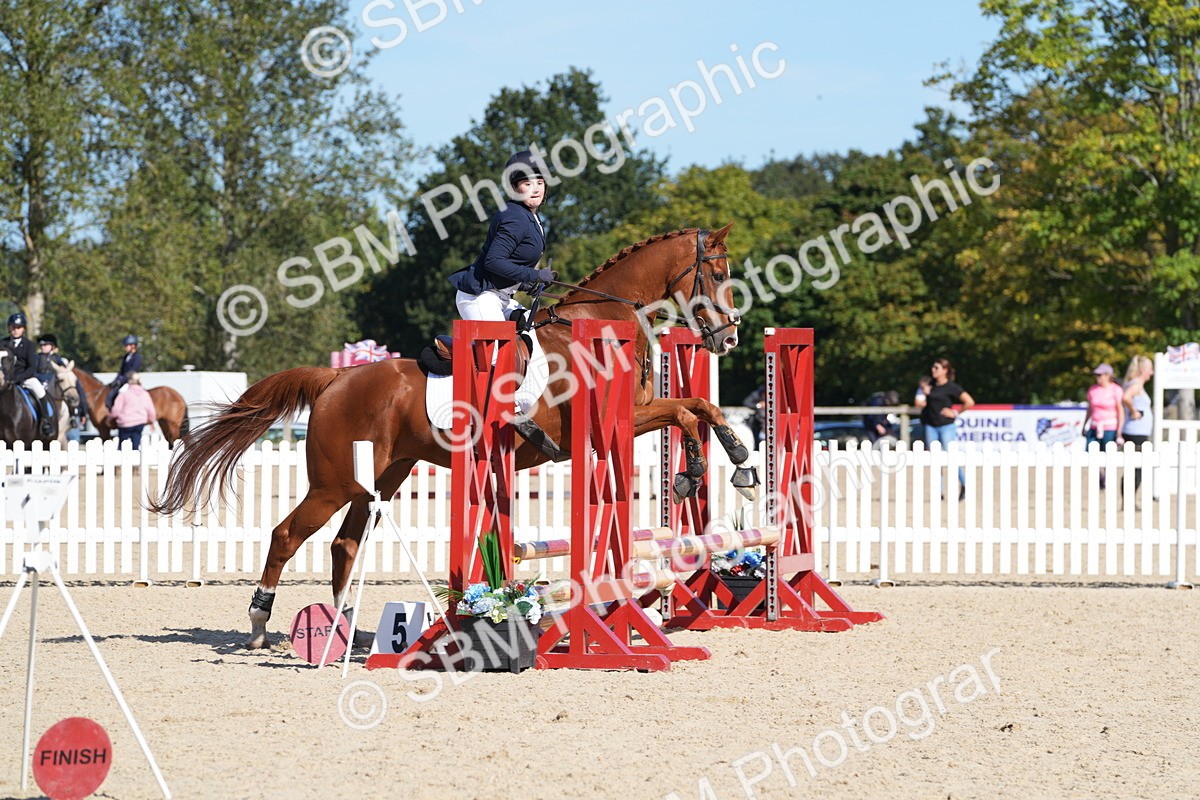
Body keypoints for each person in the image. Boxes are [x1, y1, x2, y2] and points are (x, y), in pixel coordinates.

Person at [448, 151, 556, 324]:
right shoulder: (515, 218)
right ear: (514, 188)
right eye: (527, 183)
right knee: (499, 341)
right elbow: (493, 261)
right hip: (480, 298)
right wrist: (533, 275)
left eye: (540, 182)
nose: (536, 189)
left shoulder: (531, 216)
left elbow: (511, 264)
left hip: (503, 299)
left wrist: (525, 284)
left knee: (534, 330)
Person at [915, 358, 975, 500]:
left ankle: (965, 484)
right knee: (935, 459)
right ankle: (939, 491)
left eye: (936, 368)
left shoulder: (951, 387)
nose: (933, 370)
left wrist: (955, 412)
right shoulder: (928, 385)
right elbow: (918, 403)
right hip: (930, 426)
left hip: (946, 426)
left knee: (951, 457)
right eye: (933, 367)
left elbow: (969, 402)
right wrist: (924, 393)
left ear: (945, 370)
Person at [0, 313, 54, 436]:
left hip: (24, 378)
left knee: (40, 390)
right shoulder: (2, 343)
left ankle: (46, 421)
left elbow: (32, 367)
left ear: (23, 329)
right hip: (4, 379)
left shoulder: (29, 345)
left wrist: (19, 378)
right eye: (13, 327)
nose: (15, 330)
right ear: (9, 328)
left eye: (18, 327)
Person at [1121, 355, 1154, 496]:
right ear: (1142, 370)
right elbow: (1126, 398)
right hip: (1136, 433)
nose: (1152, 373)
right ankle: (1128, 499)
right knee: (1137, 467)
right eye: (1150, 369)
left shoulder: (1134, 384)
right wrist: (1134, 411)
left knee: (1133, 467)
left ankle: (1129, 499)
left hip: (1136, 431)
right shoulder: (1136, 385)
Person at [109, 371, 157, 449]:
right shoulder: (145, 394)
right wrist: (152, 421)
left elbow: (115, 410)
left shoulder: (124, 394)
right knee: (136, 447)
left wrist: (109, 419)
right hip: (139, 423)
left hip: (125, 424)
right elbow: (151, 410)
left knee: (122, 447)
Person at [107, 334, 143, 408]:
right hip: (123, 380)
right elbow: (121, 370)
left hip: (132, 381)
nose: (125, 348)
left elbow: (133, 370)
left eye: (127, 346)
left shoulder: (137, 357)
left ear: (133, 346)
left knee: (121, 392)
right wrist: (116, 380)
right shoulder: (126, 357)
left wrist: (122, 379)